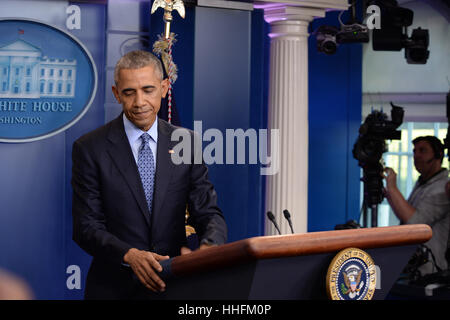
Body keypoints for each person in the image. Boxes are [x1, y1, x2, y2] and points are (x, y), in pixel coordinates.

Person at [71, 50, 227, 299]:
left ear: (164, 88)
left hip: (175, 285)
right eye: (129, 92)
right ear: (116, 94)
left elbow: (207, 212)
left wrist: (210, 246)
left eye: (148, 90)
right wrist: (129, 255)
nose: (139, 102)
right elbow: (86, 227)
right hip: (113, 289)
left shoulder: (185, 141)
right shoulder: (90, 148)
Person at [383, 136, 450, 276]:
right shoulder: (423, 182)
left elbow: (415, 222)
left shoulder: (442, 188)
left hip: (431, 271)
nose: (416, 156)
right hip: (413, 266)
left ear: (438, 156)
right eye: (414, 151)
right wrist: (390, 195)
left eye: (423, 151)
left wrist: (393, 187)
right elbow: (405, 215)